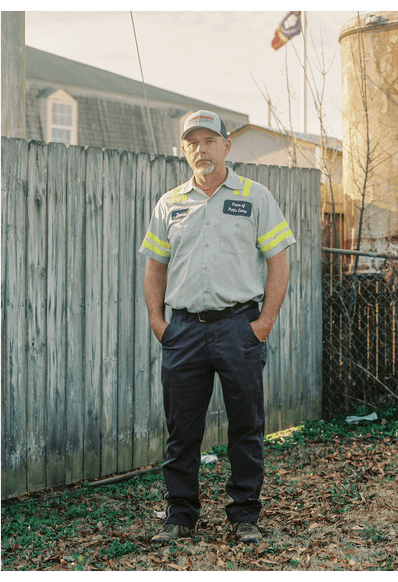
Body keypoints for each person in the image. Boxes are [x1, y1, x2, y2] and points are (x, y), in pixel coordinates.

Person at [140, 110, 296, 545]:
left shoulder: (255, 196)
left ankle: (244, 516)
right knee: (181, 429)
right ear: (184, 149)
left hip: (237, 327)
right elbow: (155, 268)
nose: (201, 149)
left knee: (245, 426)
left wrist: (262, 324)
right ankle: (180, 516)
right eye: (193, 141)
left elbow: (279, 263)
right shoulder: (170, 203)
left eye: (210, 140)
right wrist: (159, 322)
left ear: (227, 146)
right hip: (184, 332)